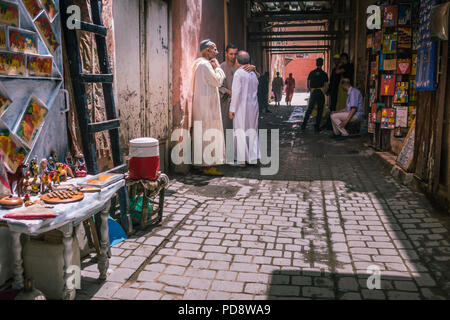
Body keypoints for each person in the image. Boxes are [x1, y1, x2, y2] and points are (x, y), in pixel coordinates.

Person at [191, 39, 226, 176]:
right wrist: (218, 67)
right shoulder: (205, 65)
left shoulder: (198, 64)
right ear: (207, 50)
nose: (216, 52)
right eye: (214, 48)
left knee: (203, 135)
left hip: (202, 105)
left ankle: (202, 165)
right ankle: (206, 166)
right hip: (206, 107)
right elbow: (217, 81)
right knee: (208, 135)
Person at [219, 44, 259, 138]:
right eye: (231, 54)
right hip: (226, 102)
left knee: (244, 129)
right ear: (226, 54)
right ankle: (230, 151)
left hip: (242, 103)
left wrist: (254, 69)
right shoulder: (221, 67)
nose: (233, 56)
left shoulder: (245, 67)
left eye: (235, 54)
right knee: (227, 129)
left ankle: (242, 150)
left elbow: (255, 79)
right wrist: (229, 92)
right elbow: (218, 85)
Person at [229, 51, 260, 167]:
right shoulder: (252, 73)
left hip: (241, 108)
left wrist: (232, 110)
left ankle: (242, 160)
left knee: (240, 131)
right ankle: (253, 158)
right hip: (253, 107)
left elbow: (236, 93)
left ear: (237, 61)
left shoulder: (239, 73)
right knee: (252, 131)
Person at [301, 58, 329, 132]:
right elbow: (326, 85)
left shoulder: (312, 73)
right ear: (322, 64)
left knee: (310, 108)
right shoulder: (324, 74)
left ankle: (304, 125)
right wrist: (324, 92)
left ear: (316, 64)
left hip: (313, 92)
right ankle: (317, 127)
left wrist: (312, 91)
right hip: (320, 92)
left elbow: (308, 84)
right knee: (320, 109)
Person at [322, 54, 343, 130]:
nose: (335, 61)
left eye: (337, 59)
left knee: (335, 108)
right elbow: (332, 81)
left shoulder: (340, 69)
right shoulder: (334, 69)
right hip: (334, 92)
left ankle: (332, 124)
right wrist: (329, 90)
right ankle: (330, 124)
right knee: (332, 107)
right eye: (334, 59)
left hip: (339, 92)